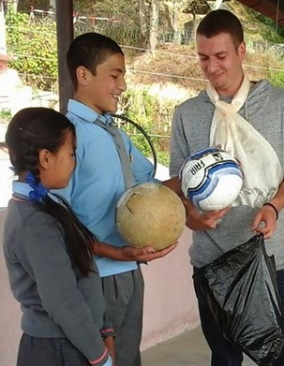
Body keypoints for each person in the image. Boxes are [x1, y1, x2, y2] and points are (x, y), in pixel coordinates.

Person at [166, 10, 284, 366]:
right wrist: (191, 219)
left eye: (220, 56)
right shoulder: (188, 114)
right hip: (212, 263)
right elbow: (177, 182)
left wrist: (274, 206)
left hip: (272, 259)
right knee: (225, 359)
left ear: (241, 51)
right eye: (202, 57)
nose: (211, 67)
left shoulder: (277, 103)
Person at [57, 32, 178, 366]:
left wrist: (206, 178)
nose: (122, 85)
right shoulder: (67, 136)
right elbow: (58, 222)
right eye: (115, 74)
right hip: (95, 275)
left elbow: (151, 186)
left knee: (127, 358)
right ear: (83, 75)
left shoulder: (115, 132)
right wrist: (114, 252)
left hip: (128, 270)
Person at [3, 108, 112, 366]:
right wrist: (101, 358)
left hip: (74, 342)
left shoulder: (48, 205)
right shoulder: (34, 223)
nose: (75, 162)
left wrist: (105, 329)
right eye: (71, 154)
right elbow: (63, 301)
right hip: (58, 350)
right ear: (46, 158)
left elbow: (84, 273)